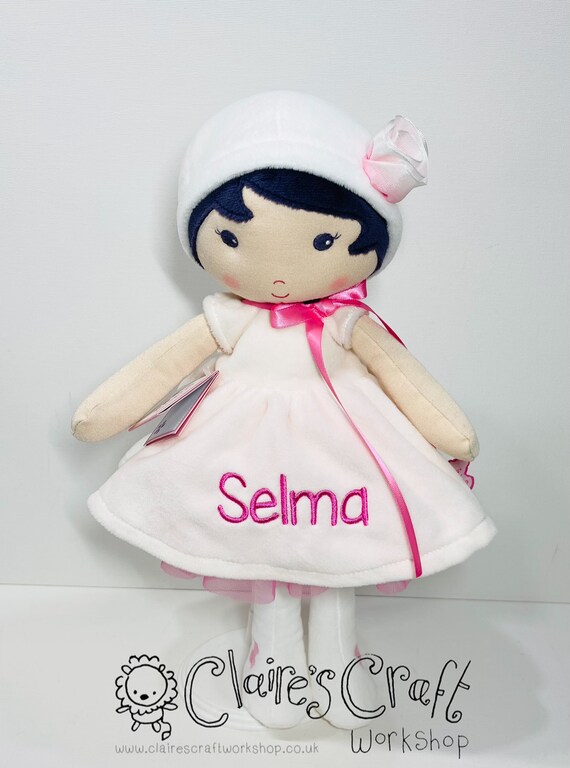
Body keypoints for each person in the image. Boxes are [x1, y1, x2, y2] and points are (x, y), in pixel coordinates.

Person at [72, 91, 495, 728]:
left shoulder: (347, 322)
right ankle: (272, 662)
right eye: (233, 238)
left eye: (324, 240)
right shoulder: (229, 318)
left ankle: (338, 660)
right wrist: (102, 414)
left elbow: (409, 382)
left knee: (341, 556)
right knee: (264, 557)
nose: (277, 271)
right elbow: (158, 371)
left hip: (344, 446)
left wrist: (452, 434)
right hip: (242, 453)